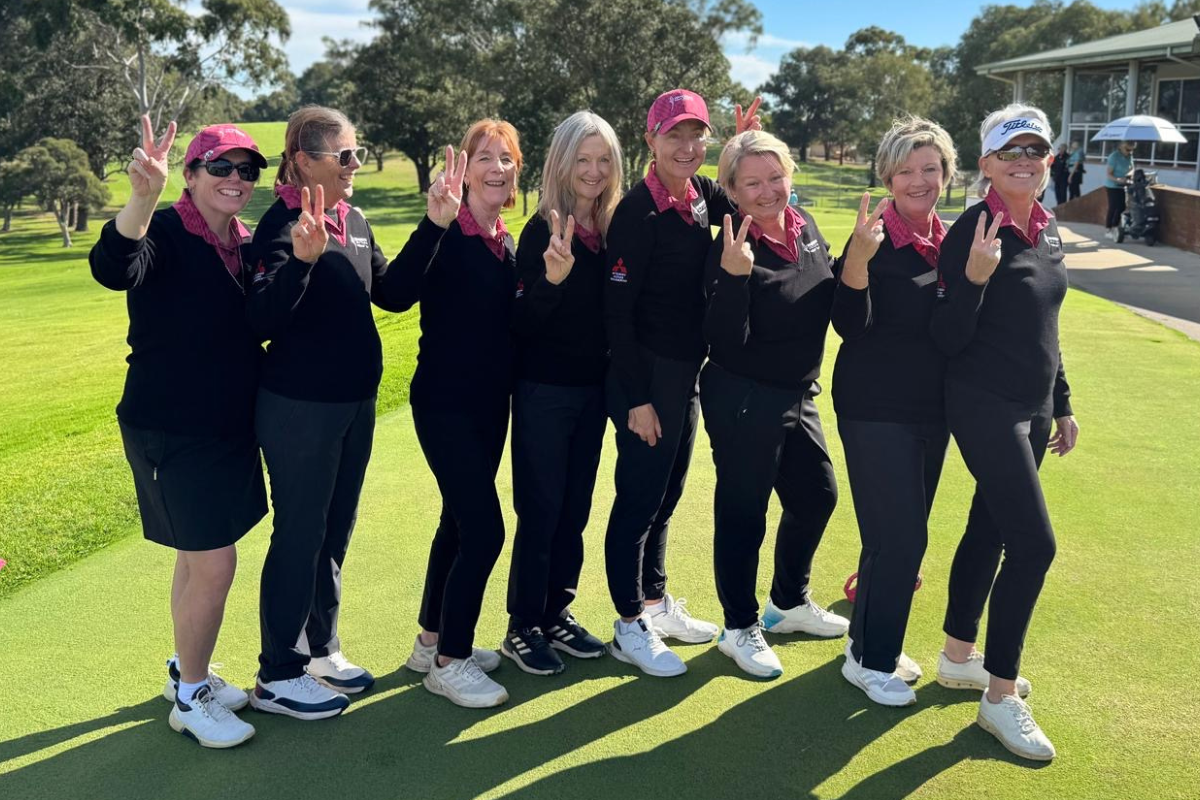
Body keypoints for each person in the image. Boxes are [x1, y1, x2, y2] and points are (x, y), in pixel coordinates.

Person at [89, 117, 268, 748]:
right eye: (219, 167)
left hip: (227, 427)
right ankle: (192, 696)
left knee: (197, 560)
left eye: (246, 171)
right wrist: (142, 195)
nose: (235, 180)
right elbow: (115, 266)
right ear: (189, 177)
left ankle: (183, 671)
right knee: (216, 563)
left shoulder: (245, 245)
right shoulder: (164, 229)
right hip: (171, 425)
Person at [247, 105, 410, 720]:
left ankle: (319, 649)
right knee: (300, 534)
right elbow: (260, 319)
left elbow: (392, 293)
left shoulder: (355, 218)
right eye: (344, 156)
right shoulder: (281, 225)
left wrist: (440, 228)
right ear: (302, 161)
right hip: (299, 410)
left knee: (333, 532)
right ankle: (277, 675)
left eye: (357, 154)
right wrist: (304, 262)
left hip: (353, 405)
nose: (355, 166)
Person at [931, 103, 1079, 761]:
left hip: (1036, 405)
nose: (1025, 161)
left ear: (1047, 160)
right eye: (1010, 152)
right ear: (986, 163)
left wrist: (1064, 403)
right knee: (1035, 546)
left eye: (1036, 151)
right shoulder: (972, 230)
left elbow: (1048, 324)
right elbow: (946, 339)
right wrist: (974, 280)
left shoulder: (1046, 228)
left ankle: (959, 654)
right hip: (986, 406)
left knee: (988, 531)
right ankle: (998, 699)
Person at [603, 89, 759, 678]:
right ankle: (627, 625)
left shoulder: (703, 197)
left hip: (686, 372)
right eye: (675, 136)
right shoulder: (637, 213)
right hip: (645, 375)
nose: (688, 147)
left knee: (666, 499)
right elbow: (615, 314)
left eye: (698, 135)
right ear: (652, 140)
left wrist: (745, 144)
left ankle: (654, 603)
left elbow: (745, 203)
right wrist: (638, 399)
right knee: (639, 500)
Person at [701, 130, 847, 680]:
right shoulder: (730, 244)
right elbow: (722, 340)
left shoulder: (804, 224)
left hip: (796, 393)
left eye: (776, 177)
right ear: (732, 193)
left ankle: (787, 604)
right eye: (752, 183)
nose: (767, 192)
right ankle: (738, 627)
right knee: (744, 514)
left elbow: (827, 289)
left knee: (817, 495)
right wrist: (735, 279)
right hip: (743, 395)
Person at [392, 120, 521, 708]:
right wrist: (433, 222)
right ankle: (452, 661)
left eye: (508, 158)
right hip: (445, 403)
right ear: (464, 170)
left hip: (490, 406)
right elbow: (392, 294)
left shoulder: (504, 241)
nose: (498, 167)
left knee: (457, 522)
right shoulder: (446, 232)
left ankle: (431, 640)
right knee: (486, 530)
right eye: (486, 157)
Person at [831, 117, 958, 706]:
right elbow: (848, 325)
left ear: (946, 175)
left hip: (932, 411)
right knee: (901, 536)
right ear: (886, 174)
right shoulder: (872, 235)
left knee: (893, 536)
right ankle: (874, 659)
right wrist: (857, 257)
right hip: (874, 406)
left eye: (929, 169)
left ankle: (865, 645)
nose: (918, 180)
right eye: (905, 169)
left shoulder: (952, 238)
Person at [503, 112, 623, 675]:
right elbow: (522, 323)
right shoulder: (541, 229)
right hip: (543, 393)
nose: (594, 171)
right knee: (542, 508)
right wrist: (552, 281)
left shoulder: (609, 230)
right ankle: (522, 624)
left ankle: (556, 612)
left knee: (573, 508)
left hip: (591, 394)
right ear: (562, 163)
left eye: (603, 160)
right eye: (583, 159)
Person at [1104, 141, 1135, 239]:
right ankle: (1108, 229)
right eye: (1128, 149)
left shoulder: (1129, 156)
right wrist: (1118, 179)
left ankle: (1115, 227)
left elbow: (1132, 168)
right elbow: (1109, 174)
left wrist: (1129, 174)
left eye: (1132, 150)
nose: (1129, 152)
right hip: (1112, 185)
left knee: (1122, 206)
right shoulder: (1114, 157)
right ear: (1121, 146)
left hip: (1123, 185)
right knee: (1113, 206)